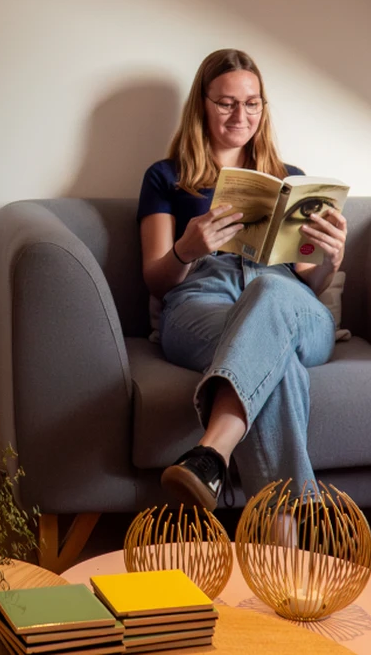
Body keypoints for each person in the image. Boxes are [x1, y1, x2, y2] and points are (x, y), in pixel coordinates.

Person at [138, 49, 348, 509]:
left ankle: (210, 453)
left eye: (252, 103)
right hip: (202, 301)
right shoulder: (166, 177)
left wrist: (330, 258)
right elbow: (157, 279)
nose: (241, 114)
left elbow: (310, 285)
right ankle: (285, 543)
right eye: (226, 102)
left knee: (272, 290)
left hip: (288, 301)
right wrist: (187, 250)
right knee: (277, 364)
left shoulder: (290, 179)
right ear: (202, 104)